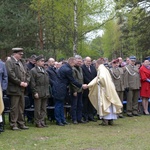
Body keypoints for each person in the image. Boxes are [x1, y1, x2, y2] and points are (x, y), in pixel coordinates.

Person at [52, 57, 88, 126]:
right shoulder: (68, 69)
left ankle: (62, 119)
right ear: (71, 62)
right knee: (58, 104)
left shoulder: (64, 67)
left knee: (62, 104)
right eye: (74, 63)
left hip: (61, 87)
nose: (74, 64)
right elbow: (72, 80)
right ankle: (58, 120)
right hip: (60, 88)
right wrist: (81, 85)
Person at [88, 58, 122, 125]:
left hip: (104, 90)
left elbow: (101, 78)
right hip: (110, 89)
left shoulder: (101, 69)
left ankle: (105, 120)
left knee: (105, 104)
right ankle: (111, 120)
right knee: (111, 104)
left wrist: (98, 82)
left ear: (97, 64)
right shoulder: (105, 69)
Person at [5, 48, 30, 130]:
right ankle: (13, 124)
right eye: (20, 54)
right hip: (14, 88)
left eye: (22, 54)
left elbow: (27, 73)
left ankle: (21, 123)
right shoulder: (9, 62)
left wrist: (27, 82)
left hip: (22, 88)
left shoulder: (22, 62)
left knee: (21, 107)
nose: (21, 56)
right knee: (14, 107)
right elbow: (10, 74)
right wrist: (20, 82)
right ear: (15, 54)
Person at [30, 55, 50, 128]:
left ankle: (42, 121)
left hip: (45, 91)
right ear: (37, 62)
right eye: (42, 61)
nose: (43, 62)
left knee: (43, 108)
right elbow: (32, 83)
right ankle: (37, 122)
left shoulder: (44, 70)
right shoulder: (33, 71)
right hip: (38, 91)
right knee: (37, 109)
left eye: (43, 61)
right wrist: (35, 92)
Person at [70, 55, 85, 124]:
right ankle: (74, 119)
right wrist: (74, 90)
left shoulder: (80, 69)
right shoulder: (73, 69)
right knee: (74, 105)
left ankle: (79, 118)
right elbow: (72, 81)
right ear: (75, 61)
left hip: (80, 89)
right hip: (75, 90)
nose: (79, 63)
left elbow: (81, 79)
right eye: (78, 61)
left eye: (80, 61)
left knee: (80, 105)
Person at [81, 56, 97, 122]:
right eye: (87, 61)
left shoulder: (93, 68)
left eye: (90, 61)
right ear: (84, 61)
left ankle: (91, 116)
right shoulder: (82, 68)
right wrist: (90, 83)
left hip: (92, 88)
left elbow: (96, 76)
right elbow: (83, 77)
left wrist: (93, 83)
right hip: (86, 87)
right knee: (85, 103)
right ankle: (85, 116)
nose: (89, 62)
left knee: (91, 103)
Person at [0, 59, 8, 132]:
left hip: (0, 90)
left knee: (0, 108)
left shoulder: (2, 64)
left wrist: (3, 88)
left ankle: (0, 125)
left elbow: (5, 77)